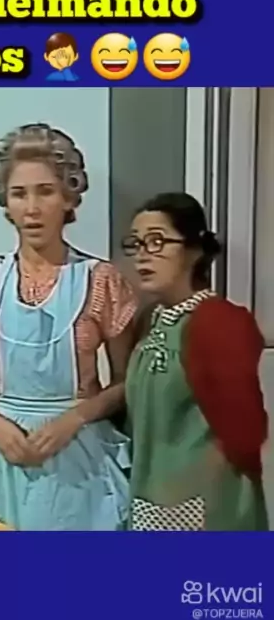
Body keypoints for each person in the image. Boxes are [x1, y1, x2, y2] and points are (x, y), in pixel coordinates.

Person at [0, 122, 137, 531]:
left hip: (80, 459)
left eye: (45, 191)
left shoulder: (101, 281)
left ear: (68, 197)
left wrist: (75, 419)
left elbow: (126, 382)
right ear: (5, 202)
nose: (32, 208)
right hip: (5, 454)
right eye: (19, 193)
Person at [121, 192, 269, 531]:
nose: (143, 254)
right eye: (137, 244)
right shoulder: (150, 319)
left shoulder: (220, 321)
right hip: (150, 498)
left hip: (208, 506)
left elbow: (246, 432)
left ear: (194, 250)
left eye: (157, 241)